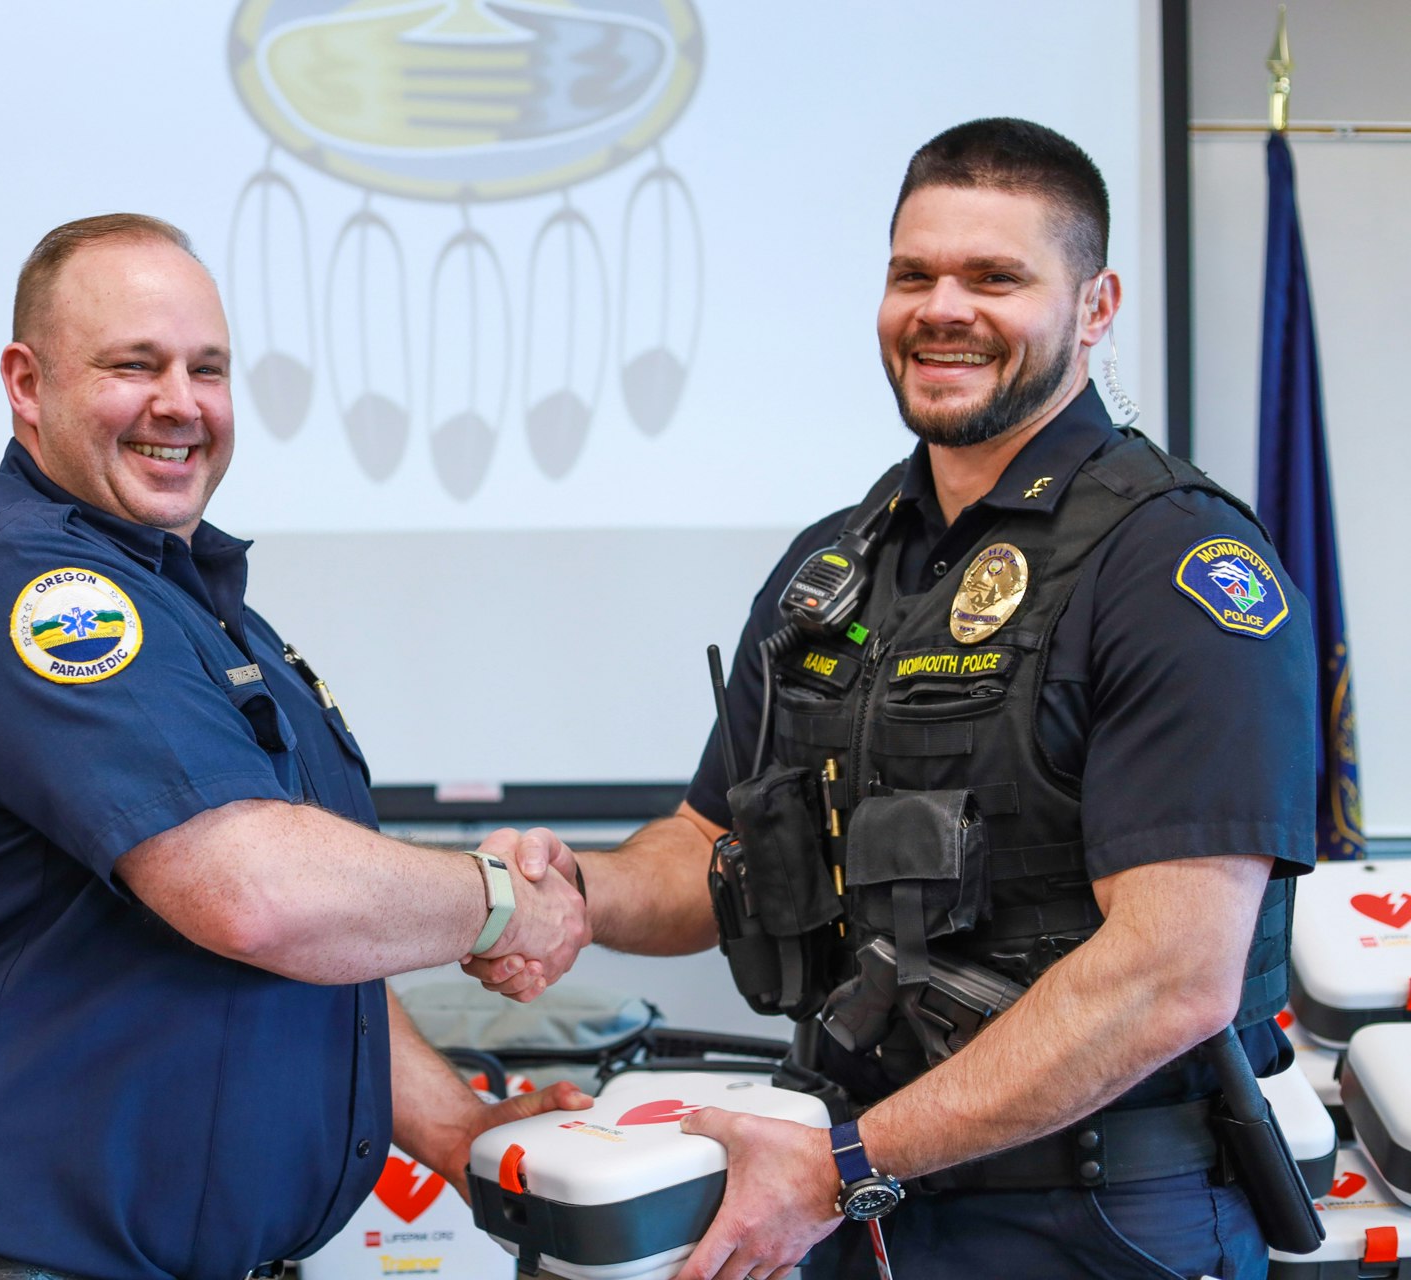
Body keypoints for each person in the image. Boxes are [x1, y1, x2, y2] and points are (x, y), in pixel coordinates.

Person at [471, 119, 1316, 1280]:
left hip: (1092, 1219)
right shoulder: (838, 563)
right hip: (855, 1199)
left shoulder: (1174, 569)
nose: (942, 307)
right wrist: (573, 894)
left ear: (1098, 302)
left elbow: (1169, 975)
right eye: (913, 273)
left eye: (996, 276)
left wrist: (843, 1163)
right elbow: (714, 848)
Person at [0, 214, 591, 1280]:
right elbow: (257, 895)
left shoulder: (202, 609)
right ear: (26, 384)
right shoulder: (31, 589)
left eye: (207, 369)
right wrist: (507, 898)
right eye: (135, 365)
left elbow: (319, 933)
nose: (181, 403)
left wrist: (457, 1130)